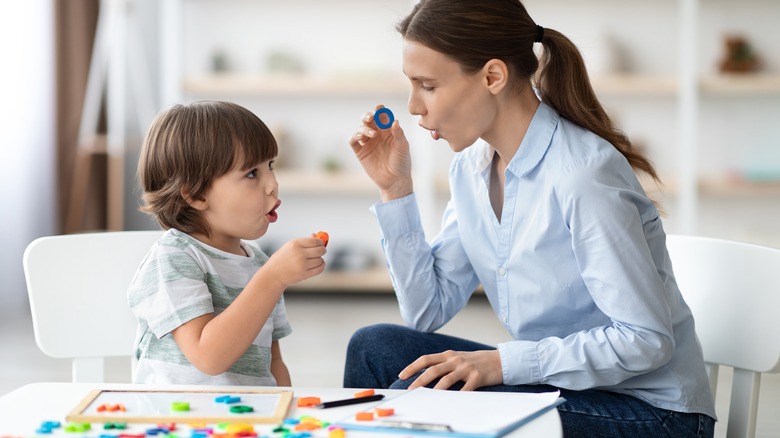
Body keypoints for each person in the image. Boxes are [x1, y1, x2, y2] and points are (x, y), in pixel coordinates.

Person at [344, 0, 716, 436]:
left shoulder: (583, 175)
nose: (413, 107)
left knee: (422, 396)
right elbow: (427, 310)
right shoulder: (471, 169)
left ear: (493, 77)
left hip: (653, 414)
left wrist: (503, 363)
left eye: (427, 85)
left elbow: (646, 340)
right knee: (373, 348)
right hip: (568, 389)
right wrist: (395, 190)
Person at [128, 101, 327, 386]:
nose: (273, 183)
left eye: (270, 166)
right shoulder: (173, 258)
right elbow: (208, 357)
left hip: (250, 414)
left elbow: (273, 363)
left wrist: (287, 409)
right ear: (196, 195)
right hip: (178, 414)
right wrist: (273, 279)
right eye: (252, 173)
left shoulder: (261, 264)